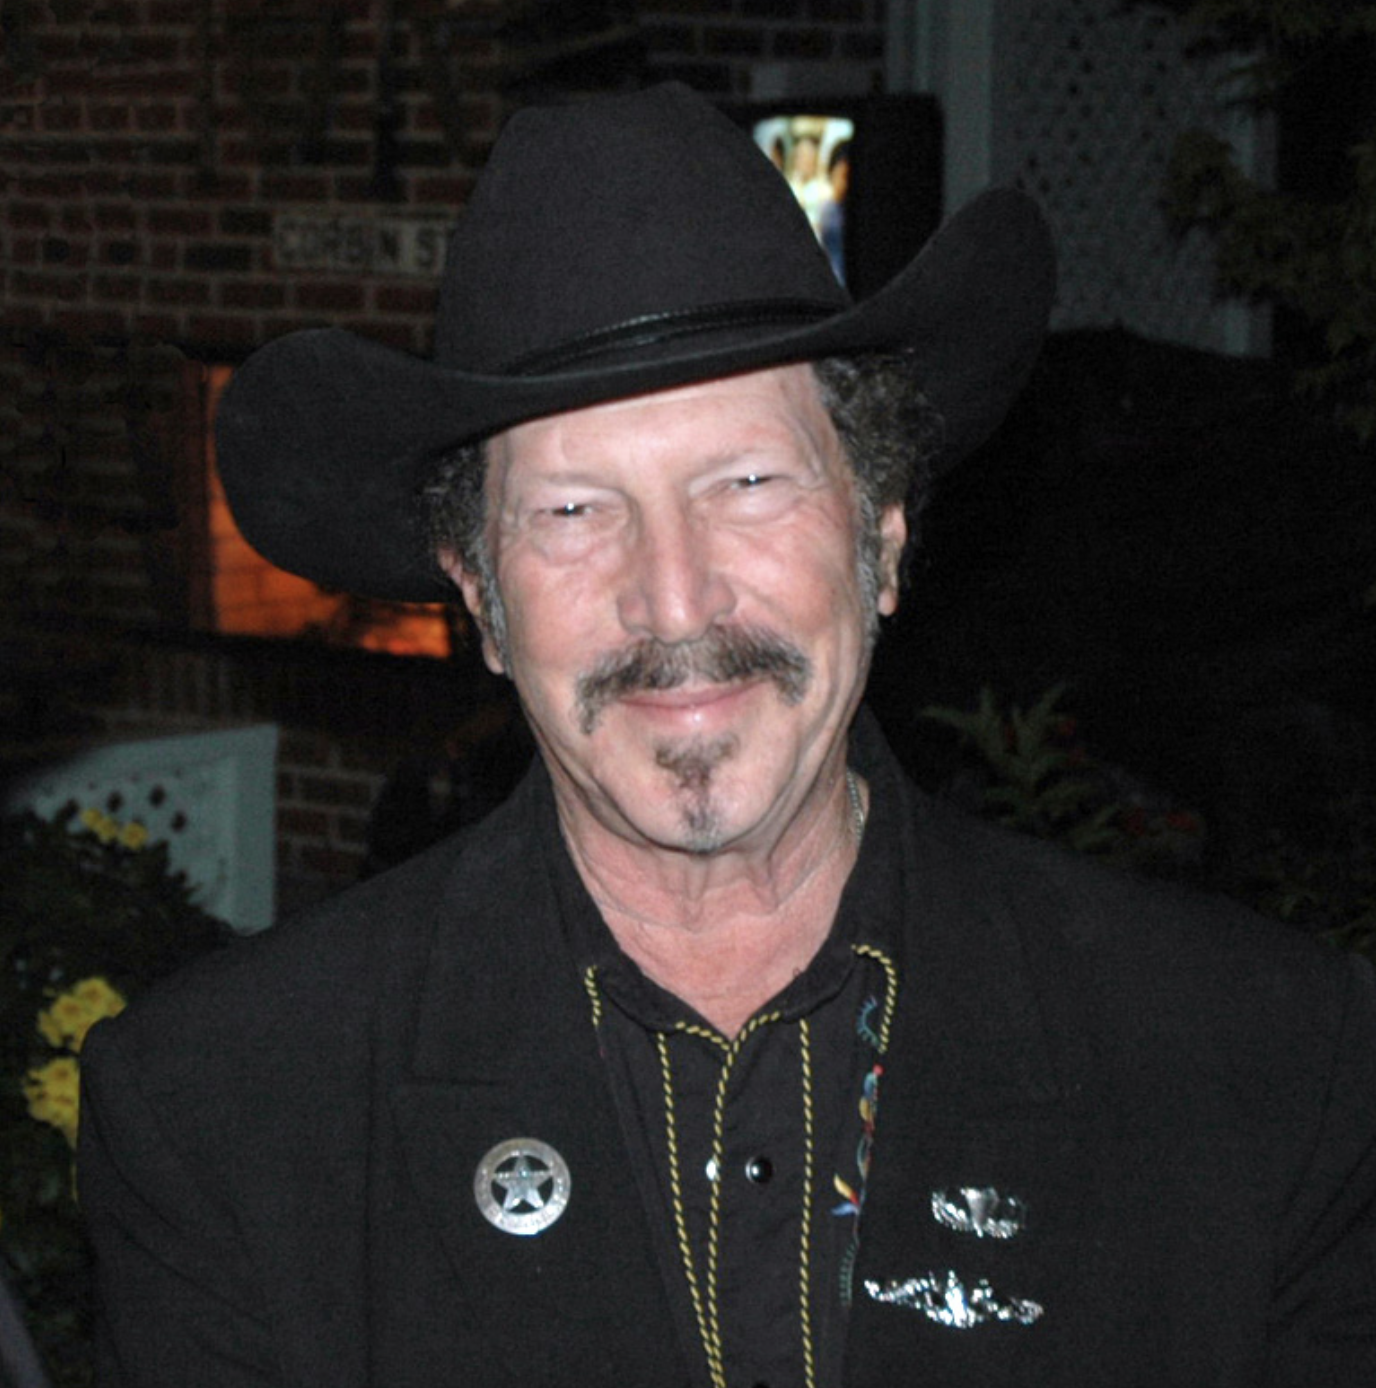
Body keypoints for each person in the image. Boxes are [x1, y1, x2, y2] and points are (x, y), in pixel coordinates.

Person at [78, 82, 1375, 1387]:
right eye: (574, 511)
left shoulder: (1263, 1072)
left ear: (881, 536)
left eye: (748, 483)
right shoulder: (227, 1118)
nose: (675, 599)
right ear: (480, 599)